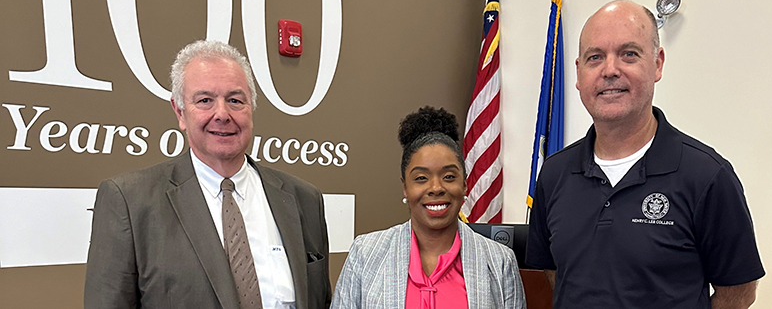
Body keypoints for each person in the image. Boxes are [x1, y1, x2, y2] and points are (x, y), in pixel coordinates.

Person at [526, 0, 765, 308]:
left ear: (657, 63)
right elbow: (555, 272)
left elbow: (739, 291)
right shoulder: (555, 173)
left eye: (628, 54)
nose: (610, 70)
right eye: (595, 57)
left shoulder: (707, 176)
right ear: (578, 73)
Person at [85, 40, 331, 309]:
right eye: (205, 101)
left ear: (251, 108)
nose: (222, 114)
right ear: (179, 112)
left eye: (235, 100)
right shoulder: (130, 202)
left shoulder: (304, 199)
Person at [331, 107, 525, 309]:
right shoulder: (365, 254)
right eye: (421, 178)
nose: (436, 188)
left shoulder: (499, 261)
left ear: (465, 184)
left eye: (449, 177)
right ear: (405, 187)